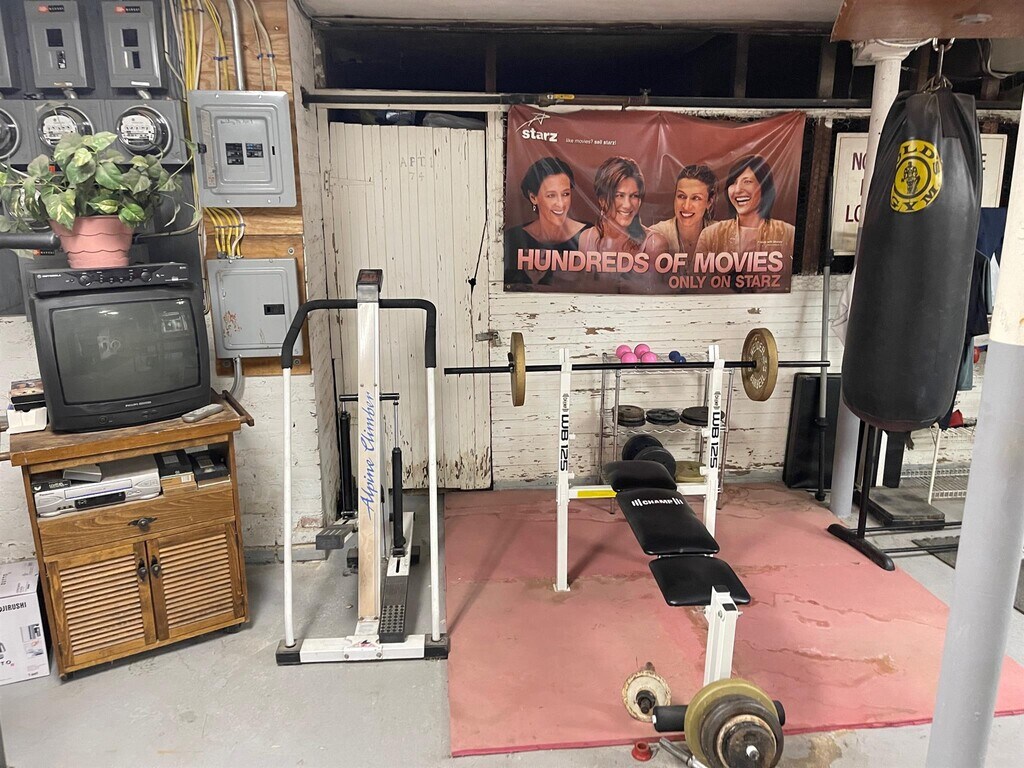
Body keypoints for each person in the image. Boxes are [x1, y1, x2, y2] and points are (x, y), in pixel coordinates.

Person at [576, 156, 670, 291]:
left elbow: (655, 296)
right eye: (619, 195)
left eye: (634, 196)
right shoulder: (586, 239)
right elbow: (580, 293)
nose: (627, 205)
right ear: (602, 200)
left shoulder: (654, 244)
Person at [504, 157, 590, 289]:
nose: (560, 204)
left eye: (565, 194)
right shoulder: (513, 238)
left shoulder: (590, 234)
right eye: (551, 195)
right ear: (533, 197)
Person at [695, 155, 795, 257]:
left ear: (764, 187)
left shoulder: (788, 234)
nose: (738, 190)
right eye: (733, 182)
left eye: (747, 181)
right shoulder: (710, 235)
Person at [649, 164, 718, 255]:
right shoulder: (656, 235)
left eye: (696, 198)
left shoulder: (721, 235)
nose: (686, 206)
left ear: (709, 202)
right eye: (681, 196)